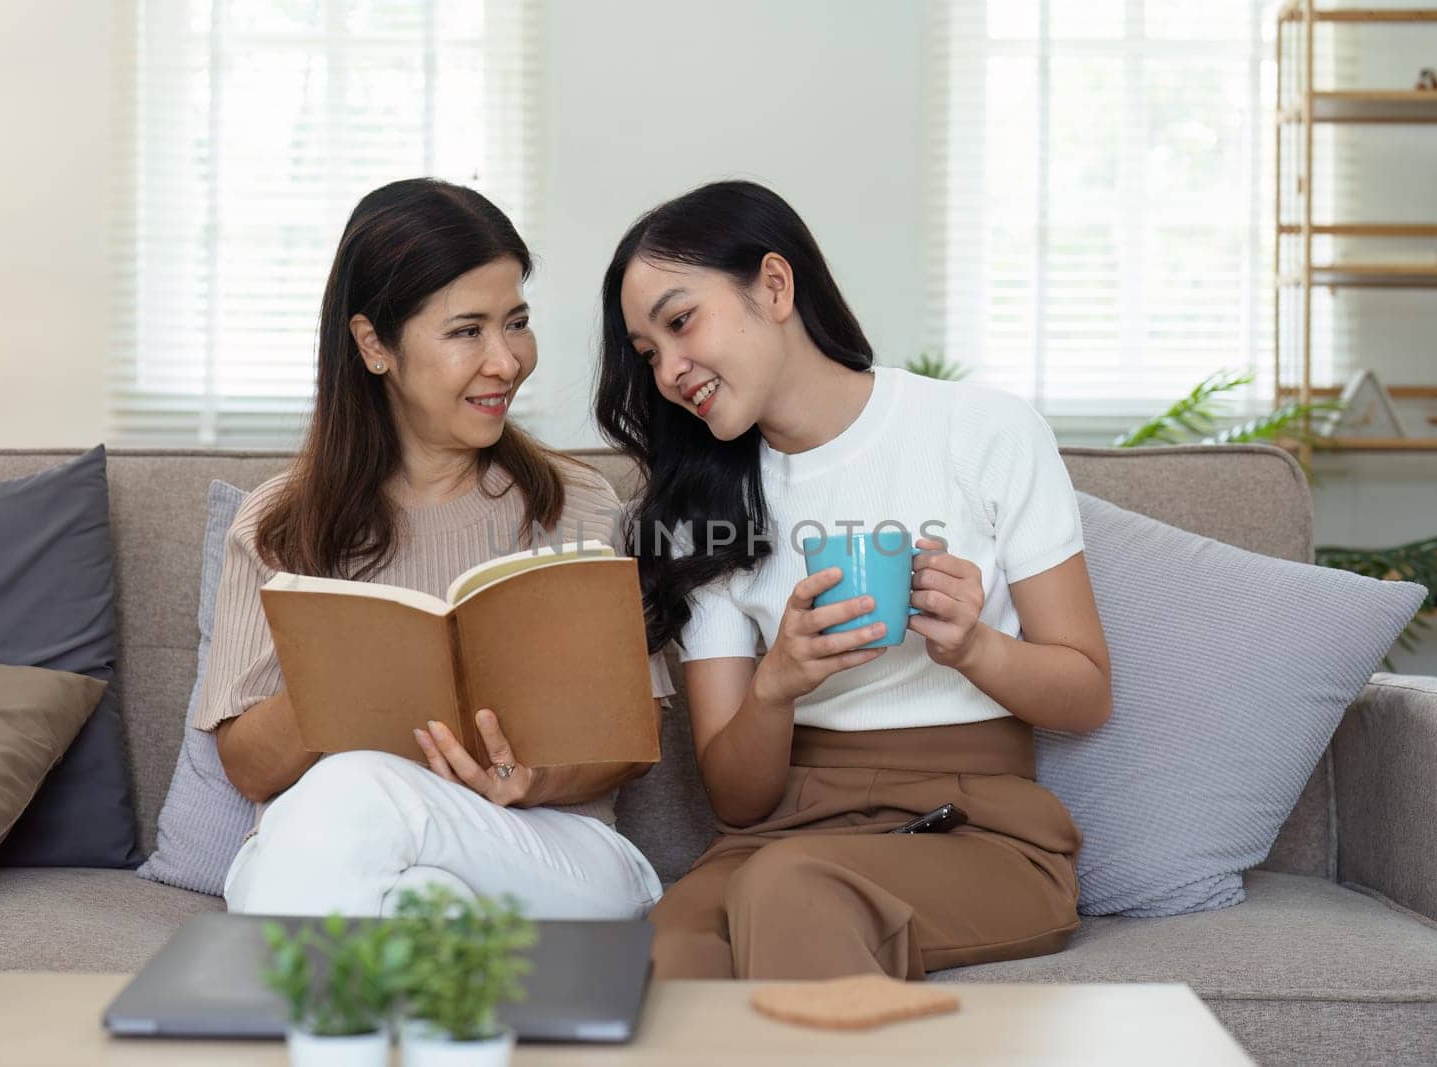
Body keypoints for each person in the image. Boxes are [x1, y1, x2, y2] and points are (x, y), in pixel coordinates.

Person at [592, 180, 1112, 980]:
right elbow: (735, 801)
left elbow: (1086, 693)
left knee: (789, 890)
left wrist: (974, 646)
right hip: (789, 829)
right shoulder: (699, 509)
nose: (669, 371)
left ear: (773, 285)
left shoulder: (984, 432)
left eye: (681, 320)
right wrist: (777, 685)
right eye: (649, 352)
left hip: (979, 829)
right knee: (652, 964)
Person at [194, 178, 669, 920]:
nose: (506, 362)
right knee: (416, 896)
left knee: (356, 788)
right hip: (334, 847)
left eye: (516, 322)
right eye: (467, 330)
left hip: (547, 850)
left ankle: (275, 1016)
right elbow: (249, 769)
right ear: (373, 344)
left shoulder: (576, 504)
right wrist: (346, 673)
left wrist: (531, 779)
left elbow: (634, 742)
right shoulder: (278, 522)